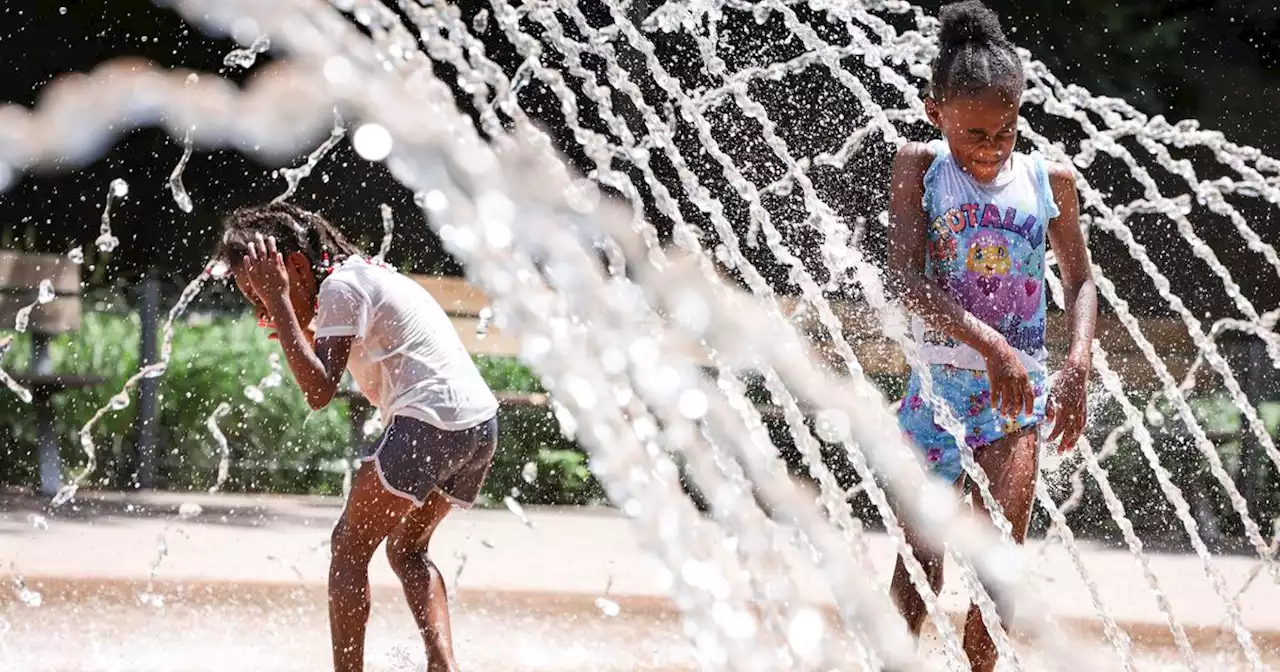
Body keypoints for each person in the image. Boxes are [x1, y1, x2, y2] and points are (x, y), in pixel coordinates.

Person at [884, 1, 1097, 669]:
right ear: (934, 111)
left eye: (1005, 131)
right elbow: (905, 281)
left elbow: (1082, 282)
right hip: (935, 398)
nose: (990, 148)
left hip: (1013, 406)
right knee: (920, 566)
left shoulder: (1047, 179)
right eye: (974, 132)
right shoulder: (922, 167)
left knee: (998, 572)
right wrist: (995, 347)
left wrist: (1077, 365)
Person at [216, 202, 500, 672]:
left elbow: (319, 391)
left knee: (347, 549)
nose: (262, 308)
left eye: (264, 292)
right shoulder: (358, 277)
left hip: (428, 421)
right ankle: (442, 664)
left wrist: (286, 310)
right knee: (407, 549)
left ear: (298, 268)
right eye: (256, 298)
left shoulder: (342, 288)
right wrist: (294, 318)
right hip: (477, 426)